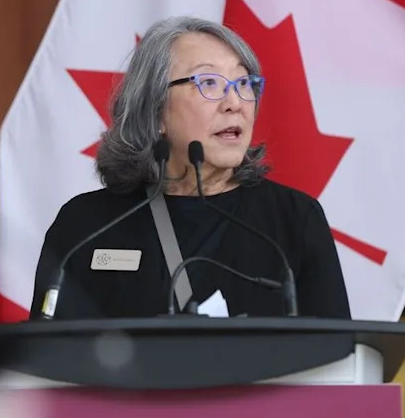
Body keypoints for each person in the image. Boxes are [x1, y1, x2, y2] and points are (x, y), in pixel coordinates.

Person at [29, 16, 351, 321]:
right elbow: (45, 360)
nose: (234, 103)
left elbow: (339, 363)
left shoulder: (294, 222)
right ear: (155, 112)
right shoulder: (84, 227)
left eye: (243, 83)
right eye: (209, 82)